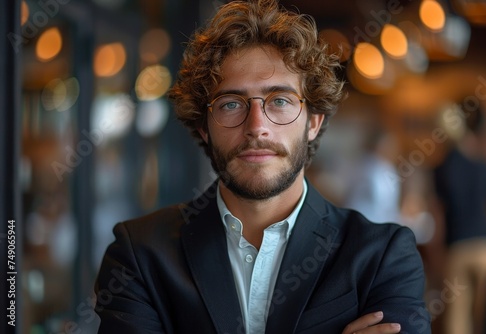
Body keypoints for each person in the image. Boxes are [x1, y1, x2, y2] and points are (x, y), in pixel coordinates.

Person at [94, 1, 430, 333]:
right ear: (203, 128)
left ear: (313, 122)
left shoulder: (383, 255)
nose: (257, 126)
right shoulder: (139, 253)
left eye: (280, 100)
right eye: (230, 104)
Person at [433, 103, 486, 334]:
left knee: (456, 322)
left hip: (457, 250)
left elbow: (439, 216)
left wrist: (438, 256)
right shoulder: (484, 166)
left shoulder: (442, 168)